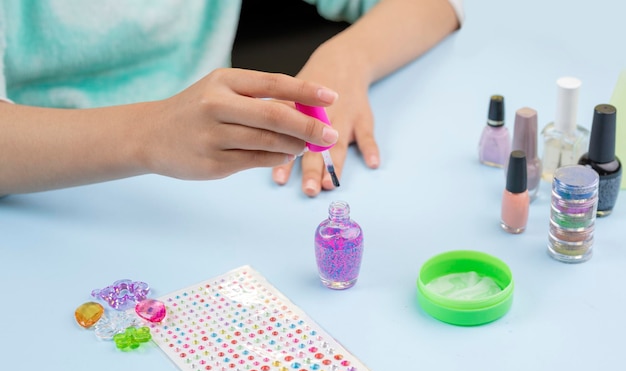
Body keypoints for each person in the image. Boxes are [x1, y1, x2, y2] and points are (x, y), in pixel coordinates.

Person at [0, 0, 463, 197]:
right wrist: (152, 134)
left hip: (216, 183)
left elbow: (437, 5)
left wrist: (347, 58)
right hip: (46, 188)